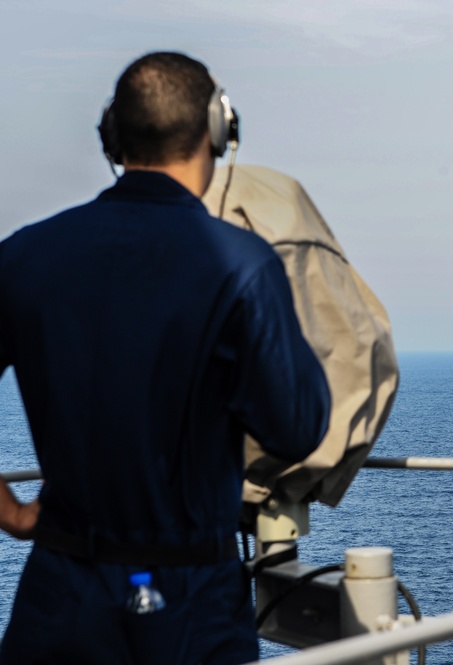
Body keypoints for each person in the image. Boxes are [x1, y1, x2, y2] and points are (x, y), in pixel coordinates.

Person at [0, 52, 330, 664]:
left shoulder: (23, 256)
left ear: (112, 134)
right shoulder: (243, 266)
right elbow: (297, 427)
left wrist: (13, 512)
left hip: (59, 587)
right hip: (189, 597)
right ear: (218, 129)